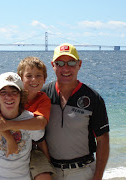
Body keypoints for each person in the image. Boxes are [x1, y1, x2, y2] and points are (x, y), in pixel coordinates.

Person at [0, 57, 55, 180]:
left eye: (38, 76)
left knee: (44, 175)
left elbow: (40, 126)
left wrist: (7, 125)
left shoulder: (41, 101)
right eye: (29, 76)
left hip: (30, 147)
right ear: (21, 79)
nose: (9, 97)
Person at [42, 43, 110, 180]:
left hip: (83, 172)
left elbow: (103, 141)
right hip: (50, 172)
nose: (65, 68)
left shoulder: (93, 98)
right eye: (60, 63)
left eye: (71, 62)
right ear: (52, 65)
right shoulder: (43, 95)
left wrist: (97, 177)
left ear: (79, 64)